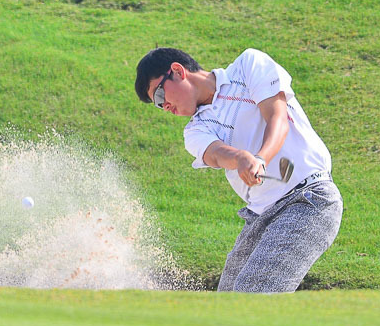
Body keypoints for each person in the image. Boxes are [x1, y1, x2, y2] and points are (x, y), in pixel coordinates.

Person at [134, 47, 343, 293]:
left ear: (178, 71)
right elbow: (216, 154)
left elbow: (278, 117)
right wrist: (241, 158)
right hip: (259, 216)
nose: (165, 107)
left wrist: (260, 158)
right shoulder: (194, 130)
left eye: (160, 96)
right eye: (158, 106)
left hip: (308, 198)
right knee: (227, 304)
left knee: (250, 297)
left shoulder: (248, 65)